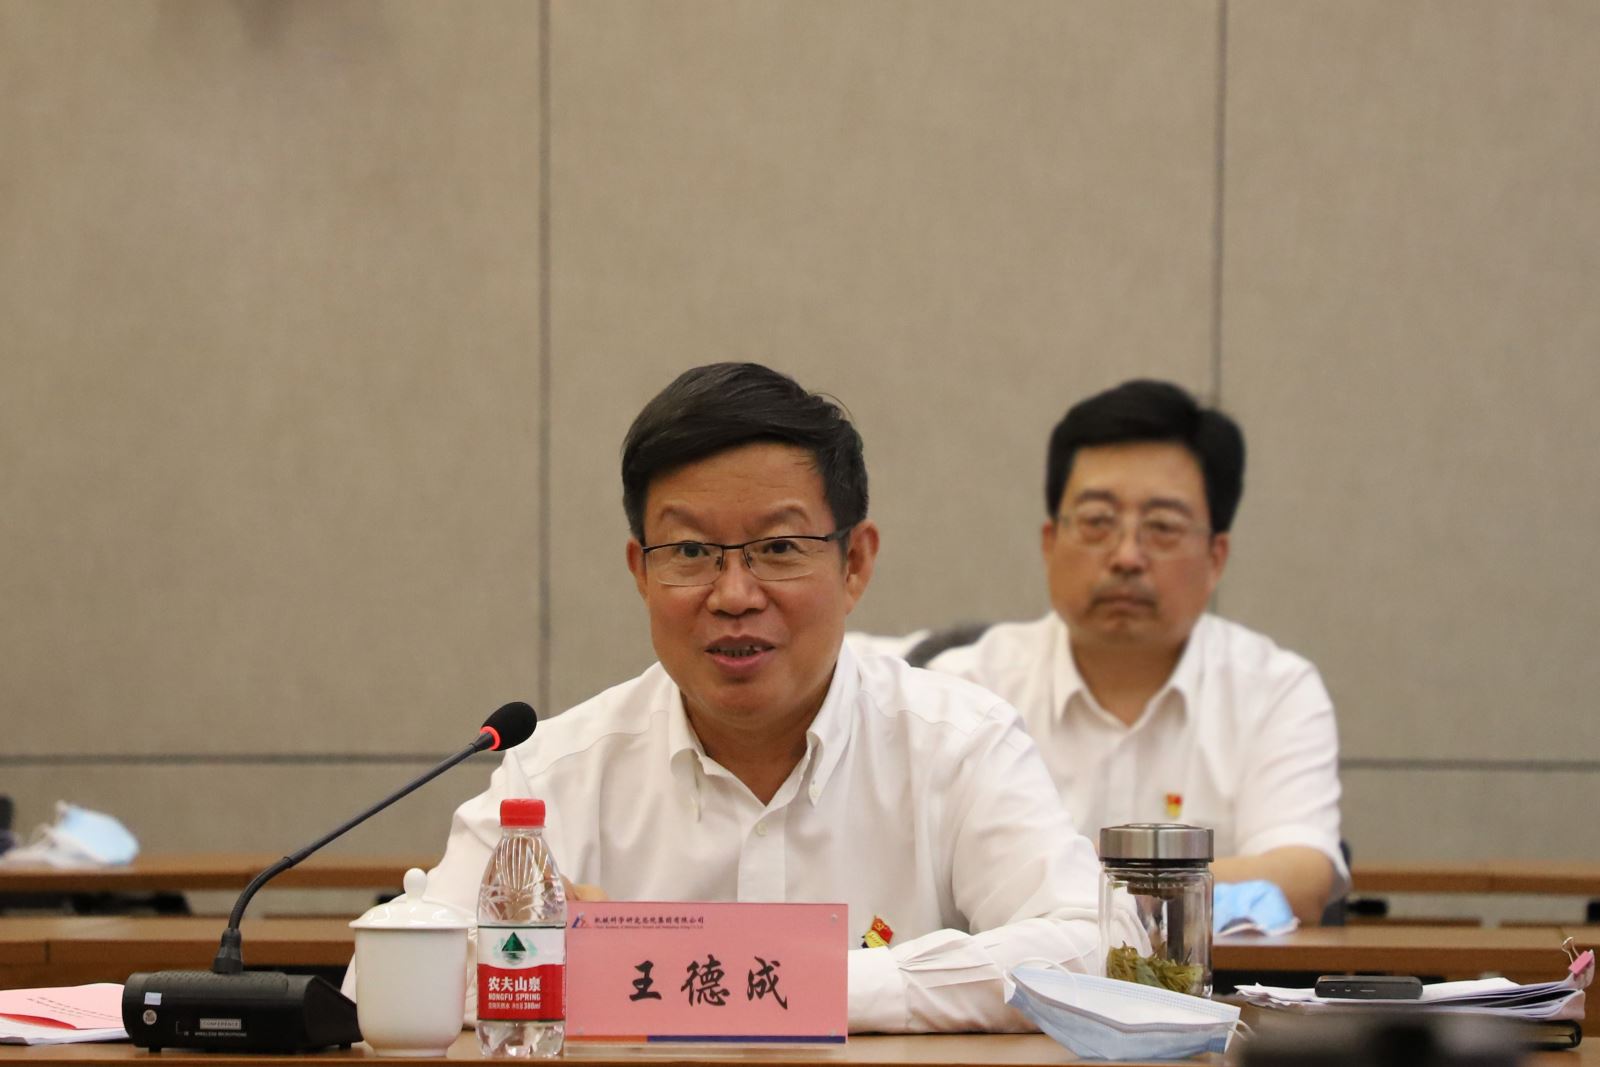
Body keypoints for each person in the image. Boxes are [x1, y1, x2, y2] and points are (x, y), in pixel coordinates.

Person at [389, 362, 1139, 1033]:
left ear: (855, 563)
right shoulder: (556, 773)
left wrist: (820, 987)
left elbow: (1093, 945)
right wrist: (551, 955)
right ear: (641, 572)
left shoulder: (958, 744)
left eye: (778, 548)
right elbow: (388, 974)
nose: (734, 595)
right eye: (690, 552)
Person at [925, 380, 1346, 925]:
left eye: (1162, 527)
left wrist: (1069, 890)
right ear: (1050, 542)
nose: (1126, 556)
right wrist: (1165, 887)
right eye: (1097, 522)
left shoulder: (1274, 690)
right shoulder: (964, 687)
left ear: (1216, 557)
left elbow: (1299, 877)